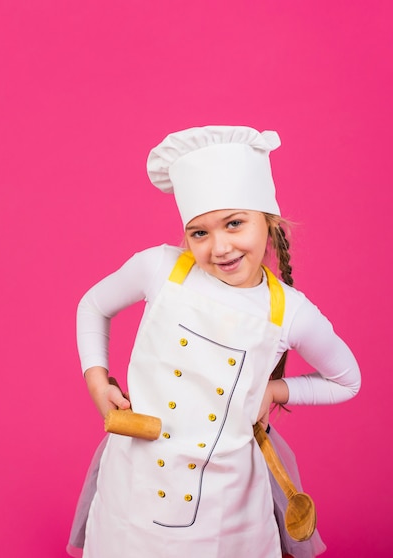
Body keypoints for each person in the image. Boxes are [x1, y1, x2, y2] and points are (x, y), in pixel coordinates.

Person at [69, 126, 361, 558]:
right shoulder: (159, 269)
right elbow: (93, 304)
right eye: (199, 233)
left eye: (235, 223)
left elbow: (347, 381)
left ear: (269, 220)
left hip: (228, 507)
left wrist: (275, 390)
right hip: (133, 484)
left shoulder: (291, 312)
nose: (219, 247)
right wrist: (97, 381)